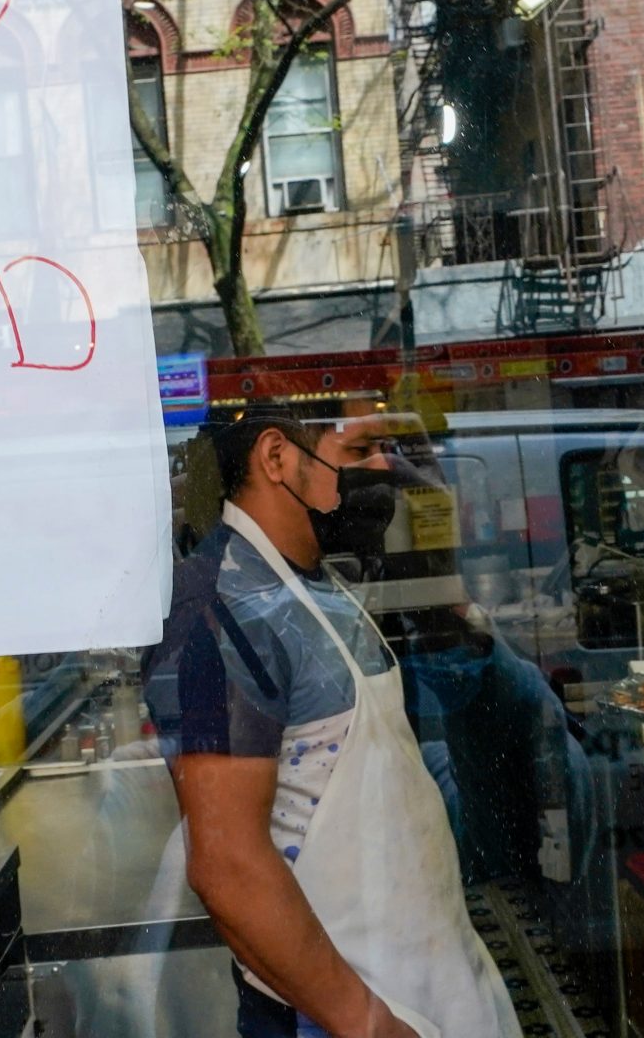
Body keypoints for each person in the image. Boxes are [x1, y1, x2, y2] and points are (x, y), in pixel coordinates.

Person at [144, 408, 517, 1038]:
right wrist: (366, 1022)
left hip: (429, 985)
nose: (384, 469)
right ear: (276, 457)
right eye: (362, 449)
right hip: (334, 1014)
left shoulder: (317, 582)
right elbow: (228, 864)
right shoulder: (222, 607)